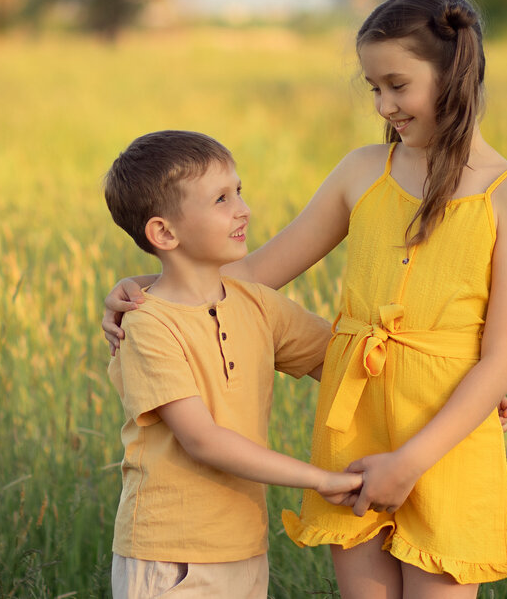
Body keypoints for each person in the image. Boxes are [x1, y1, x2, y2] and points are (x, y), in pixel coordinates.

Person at [104, 0, 507, 598]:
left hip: (445, 443)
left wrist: (421, 449)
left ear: (455, 74)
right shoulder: (362, 172)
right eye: (374, 89)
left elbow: (503, 360)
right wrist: (149, 285)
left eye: (398, 84)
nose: (385, 105)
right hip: (354, 436)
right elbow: (246, 278)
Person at [101, 129, 363, 599]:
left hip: (243, 549)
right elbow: (202, 439)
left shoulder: (257, 304)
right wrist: (320, 479)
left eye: (239, 191)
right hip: (170, 557)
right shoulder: (148, 324)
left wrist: (464, 391)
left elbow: (351, 362)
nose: (243, 209)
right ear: (164, 232)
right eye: (221, 199)